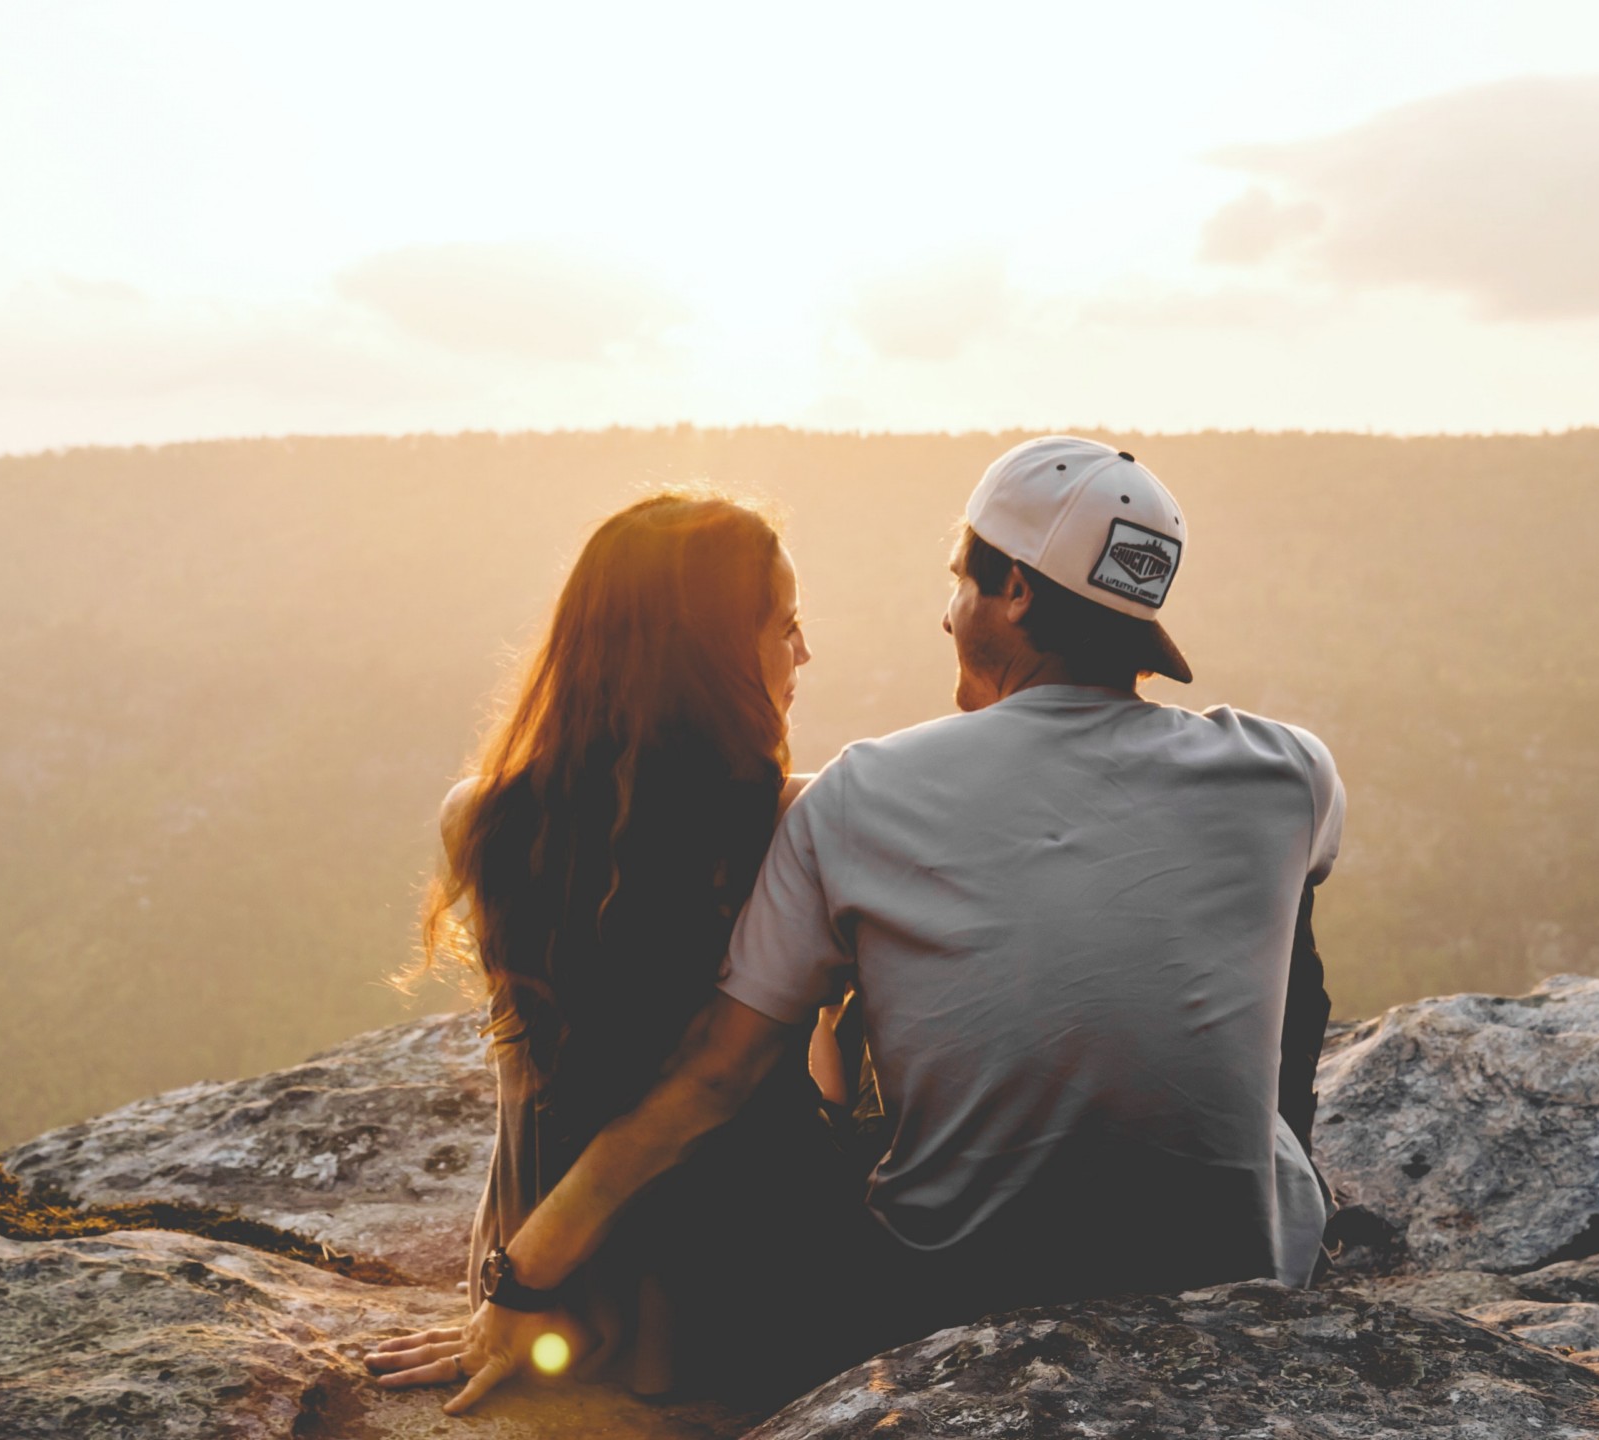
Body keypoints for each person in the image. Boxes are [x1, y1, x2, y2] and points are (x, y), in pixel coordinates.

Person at [428, 436, 1346, 1412]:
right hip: (1241, 1271)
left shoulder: (865, 795)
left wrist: (524, 1270)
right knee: (1287, 913)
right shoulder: (1288, 772)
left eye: (960, 579)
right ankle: (1246, 1177)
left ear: (1015, 596)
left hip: (949, 1290)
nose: (945, 610)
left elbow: (718, 1070)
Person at [364, 490, 858, 1411]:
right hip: (748, 1286)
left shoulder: (478, 816)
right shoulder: (800, 820)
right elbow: (727, 1084)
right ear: (708, 659)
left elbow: (530, 1092)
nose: (804, 653)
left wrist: (513, 1284)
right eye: (785, 626)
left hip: (550, 1286)